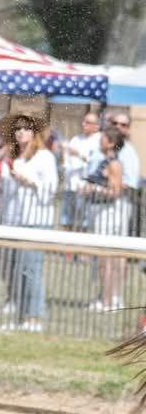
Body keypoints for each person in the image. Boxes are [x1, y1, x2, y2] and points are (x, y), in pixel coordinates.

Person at [0, 114, 58, 332]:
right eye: (17, 129)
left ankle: (35, 317)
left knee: (32, 271)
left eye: (25, 128)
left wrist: (30, 181)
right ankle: (21, 314)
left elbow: (51, 190)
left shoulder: (45, 157)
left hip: (35, 221)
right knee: (15, 271)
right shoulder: (14, 158)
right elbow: (6, 193)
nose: (20, 132)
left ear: (34, 132)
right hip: (14, 221)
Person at [81, 126, 128, 311]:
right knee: (102, 260)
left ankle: (107, 301)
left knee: (105, 259)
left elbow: (115, 192)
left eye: (103, 138)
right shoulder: (104, 160)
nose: (100, 141)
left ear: (111, 143)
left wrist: (95, 189)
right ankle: (105, 297)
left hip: (108, 213)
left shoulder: (114, 164)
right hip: (99, 210)